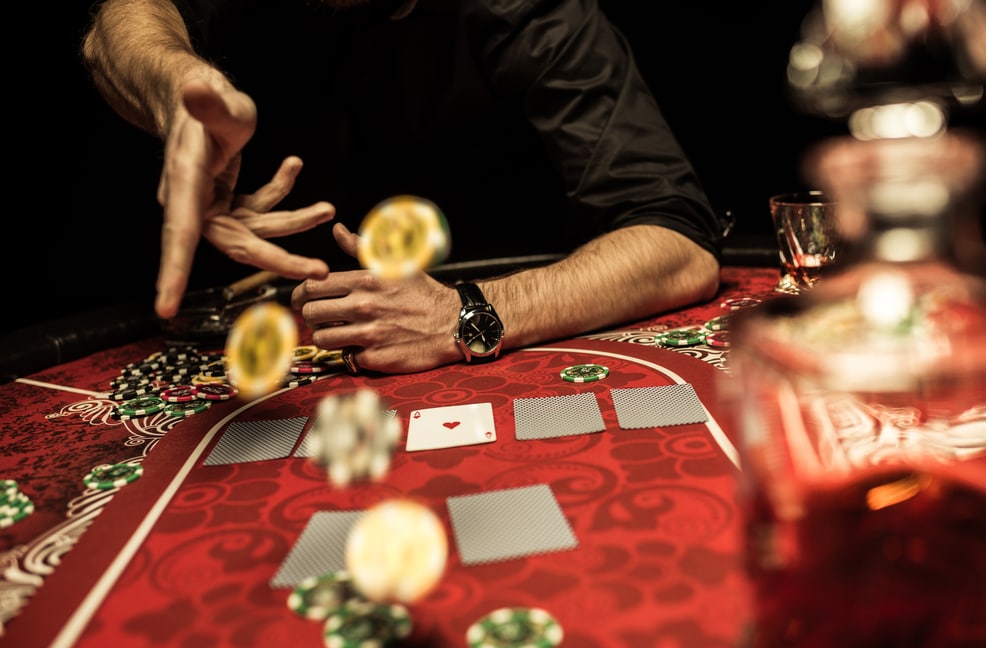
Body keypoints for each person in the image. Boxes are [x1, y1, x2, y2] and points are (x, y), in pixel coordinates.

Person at [81, 0, 725, 375]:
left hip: (502, 349)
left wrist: (465, 314)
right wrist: (175, 85)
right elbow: (123, 20)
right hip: (259, 353)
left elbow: (676, 240)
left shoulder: (528, 10)